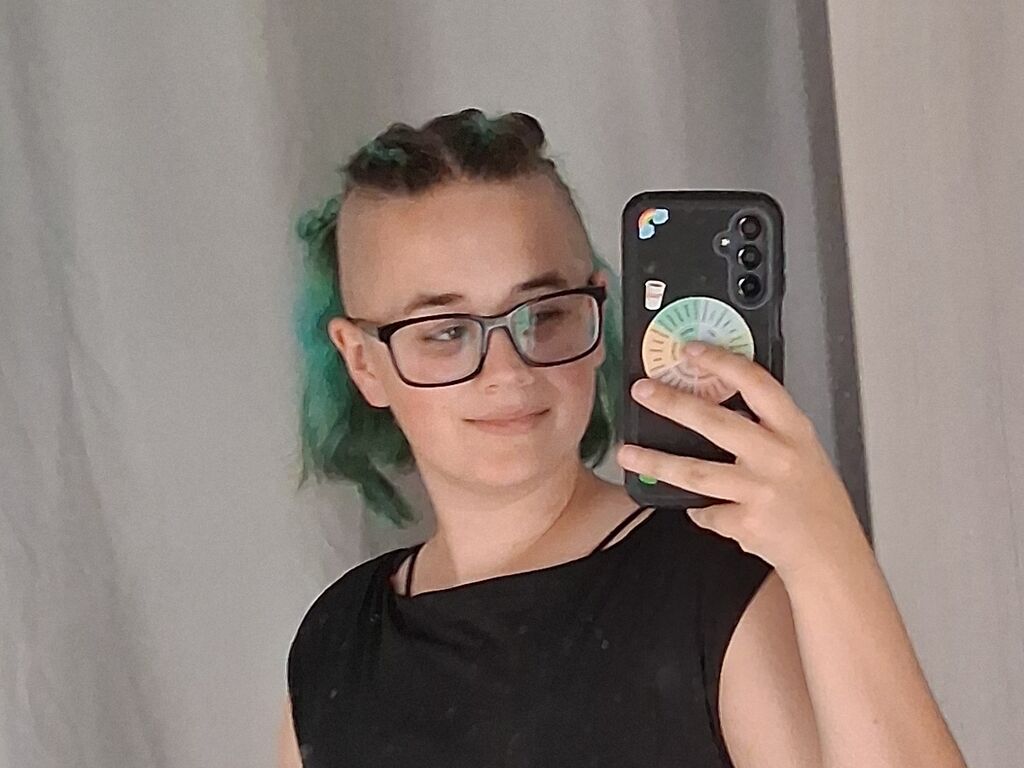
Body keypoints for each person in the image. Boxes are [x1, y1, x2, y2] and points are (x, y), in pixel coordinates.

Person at [278, 109, 967, 768]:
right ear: (362, 360)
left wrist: (829, 552)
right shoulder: (331, 644)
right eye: (446, 332)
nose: (508, 371)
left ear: (603, 310)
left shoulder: (714, 582)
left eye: (545, 314)